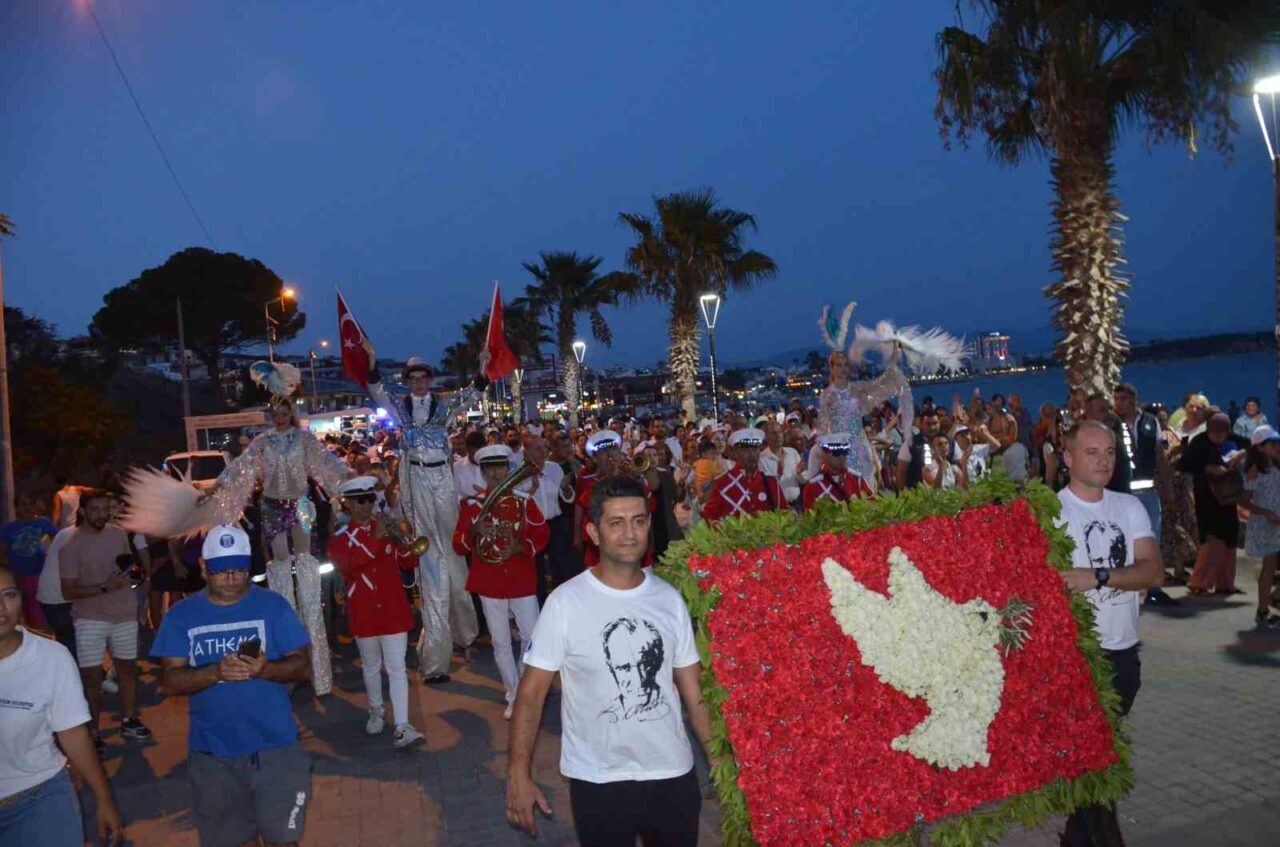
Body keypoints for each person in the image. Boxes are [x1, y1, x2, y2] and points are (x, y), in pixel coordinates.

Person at [506, 476, 713, 846]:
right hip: (598, 781)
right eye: (616, 523)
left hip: (672, 775)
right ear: (593, 532)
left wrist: (720, 761)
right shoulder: (564, 604)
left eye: (638, 521)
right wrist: (518, 775)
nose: (630, 533)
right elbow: (531, 694)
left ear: (649, 525)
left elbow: (694, 694)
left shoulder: (669, 600)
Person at [151, 525, 314, 847]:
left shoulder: (272, 605)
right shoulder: (181, 615)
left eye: (240, 570)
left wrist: (265, 669)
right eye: (222, 571)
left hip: (275, 748)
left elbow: (303, 667)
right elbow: (169, 681)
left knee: (284, 840)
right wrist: (215, 673)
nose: (232, 579)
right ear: (203, 566)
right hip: (214, 755)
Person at [1056, 421, 1164, 847]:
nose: (1103, 461)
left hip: (1123, 657)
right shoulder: (1050, 512)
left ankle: (1081, 839)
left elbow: (1153, 571)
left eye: (1109, 453)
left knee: (1095, 763)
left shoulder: (1129, 507)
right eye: (1092, 452)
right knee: (1095, 760)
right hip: (1075, 660)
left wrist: (1096, 576)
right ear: (1068, 459)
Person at [366, 354, 483, 684]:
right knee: (431, 564)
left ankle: (465, 634)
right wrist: (372, 362)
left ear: (429, 380)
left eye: (423, 378)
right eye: (413, 378)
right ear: (408, 381)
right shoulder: (400, 406)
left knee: (454, 559)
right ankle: (435, 657)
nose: (418, 383)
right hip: (416, 479)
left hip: (442, 479)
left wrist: (483, 369)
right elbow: (377, 391)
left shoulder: (444, 405)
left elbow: (472, 395)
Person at [0, 564, 124, 847]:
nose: (1, 607)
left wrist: (104, 799)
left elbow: (73, 733)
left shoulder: (50, 657)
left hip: (39, 798)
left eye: (8, 595)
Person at [453, 445, 549, 719]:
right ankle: (514, 695)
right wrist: (473, 531)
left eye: (501, 467)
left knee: (532, 637)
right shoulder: (471, 505)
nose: (497, 473)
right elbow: (458, 546)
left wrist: (522, 547)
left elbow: (542, 534)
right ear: (482, 472)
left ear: (509, 469)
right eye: (490, 468)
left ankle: (524, 687)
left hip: (520, 576)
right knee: (501, 642)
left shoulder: (523, 501)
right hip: (489, 580)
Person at [329, 477, 425, 747]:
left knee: (397, 668)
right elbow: (348, 565)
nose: (367, 505)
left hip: (392, 607)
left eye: (370, 499)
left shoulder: (384, 527)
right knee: (371, 666)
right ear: (347, 503)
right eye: (360, 500)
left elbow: (409, 560)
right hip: (364, 609)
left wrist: (406, 541)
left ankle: (403, 725)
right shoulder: (340, 536)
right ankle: (376, 711)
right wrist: (375, 539)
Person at [58, 490, 150, 745]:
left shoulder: (118, 534)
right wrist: (103, 587)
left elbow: (129, 567)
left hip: (123, 613)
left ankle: (130, 720)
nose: (101, 515)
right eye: (95, 510)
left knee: (127, 670)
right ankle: (93, 732)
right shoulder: (70, 545)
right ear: (84, 511)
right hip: (90, 617)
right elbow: (68, 590)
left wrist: (135, 578)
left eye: (105, 509)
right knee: (92, 677)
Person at [1112, 384, 1178, 607]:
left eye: (1122, 399)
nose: (1118, 403)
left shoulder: (1150, 422)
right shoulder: (1112, 424)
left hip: (1147, 492)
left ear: (1133, 399)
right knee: (1123, 541)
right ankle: (1126, 588)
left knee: (1152, 539)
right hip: (1121, 493)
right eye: (1116, 399)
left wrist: (1167, 486)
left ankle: (1154, 588)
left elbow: (1159, 455)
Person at [1179, 413, 1248, 597]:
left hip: (1227, 496)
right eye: (1214, 432)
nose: (1218, 436)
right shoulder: (1199, 442)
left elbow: (1252, 445)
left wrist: (1241, 453)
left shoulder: (1233, 439)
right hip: (1207, 496)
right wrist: (1207, 468)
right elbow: (1184, 464)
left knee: (1230, 537)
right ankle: (1199, 583)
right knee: (1212, 537)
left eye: (1222, 432)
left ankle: (1225, 584)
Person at [702, 428, 786, 525]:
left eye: (755, 448)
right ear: (735, 452)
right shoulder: (721, 484)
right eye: (745, 449)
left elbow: (783, 515)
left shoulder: (771, 482)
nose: (751, 454)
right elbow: (709, 518)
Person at [1240, 426, 1280, 628]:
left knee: (1271, 567)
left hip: (1276, 522)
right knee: (1269, 566)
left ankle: (1268, 605)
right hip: (1267, 524)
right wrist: (1267, 513)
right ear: (1261, 447)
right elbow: (1245, 501)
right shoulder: (1256, 471)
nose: (1277, 447)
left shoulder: (1276, 467)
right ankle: (1263, 610)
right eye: (1273, 444)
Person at [0, 492, 57, 631]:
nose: (28, 508)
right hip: (18, 577)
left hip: (41, 576)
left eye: (31, 504)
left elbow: (59, 545)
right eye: (23, 504)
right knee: (20, 612)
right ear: (16, 507)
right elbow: (2, 553)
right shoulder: (9, 529)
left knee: (38, 613)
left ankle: (41, 637)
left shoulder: (45, 524)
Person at [803, 433, 872, 510]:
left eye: (845, 452)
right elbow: (810, 518)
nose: (842, 457)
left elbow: (873, 507)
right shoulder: (813, 487)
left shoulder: (857, 480)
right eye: (837, 452)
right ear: (824, 455)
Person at [759, 420, 804, 508]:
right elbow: (768, 486)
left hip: (796, 505)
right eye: (774, 433)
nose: (778, 436)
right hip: (776, 507)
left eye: (780, 432)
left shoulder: (792, 452)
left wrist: (799, 474)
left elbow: (803, 480)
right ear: (766, 437)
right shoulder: (761, 458)